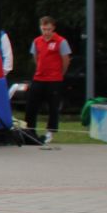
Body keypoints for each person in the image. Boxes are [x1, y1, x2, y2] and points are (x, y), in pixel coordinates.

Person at [25, 15, 71, 145]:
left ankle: (50, 132)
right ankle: (30, 130)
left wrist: (60, 73)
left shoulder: (61, 41)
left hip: (54, 79)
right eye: (44, 29)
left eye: (49, 29)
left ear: (53, 28)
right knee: (31, 105)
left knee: (53, 107)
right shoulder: (37, 41)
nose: (46, 32)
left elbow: (66, 59)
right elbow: (36, 57)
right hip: (39, 77)